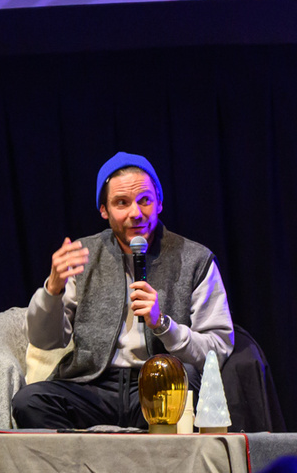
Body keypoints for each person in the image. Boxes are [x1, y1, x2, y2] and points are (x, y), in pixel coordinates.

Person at [12, 152, 233, 429]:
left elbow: (218, 348)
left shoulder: (195, 259)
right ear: (104, 210)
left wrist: (164, 325)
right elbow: (44, 341)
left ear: (160, 202)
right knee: (29, 402)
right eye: (121, 203)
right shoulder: (84, 254)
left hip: (161, 387)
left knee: (191, 392)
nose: (135, 213)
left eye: (145, 200)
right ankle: (80, 457)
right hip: (94, 385)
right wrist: (52, 290)